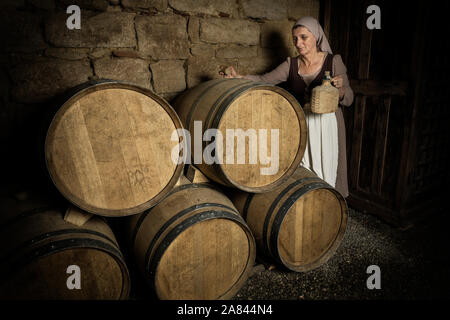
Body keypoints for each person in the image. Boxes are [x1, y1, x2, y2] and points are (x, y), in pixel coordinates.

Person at [220, 16, 353, 198]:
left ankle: (330, 203)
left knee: (328, 166)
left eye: (303, 37)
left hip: (328, 125)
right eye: (295, 39)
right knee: (305, 169)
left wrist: (341, 90)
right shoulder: (291, 65)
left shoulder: (333, 62)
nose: (298, 43)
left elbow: (350, 98)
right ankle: (309, 203)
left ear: (316, 37)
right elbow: (263, 80)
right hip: (302, 124)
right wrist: (238, 77)